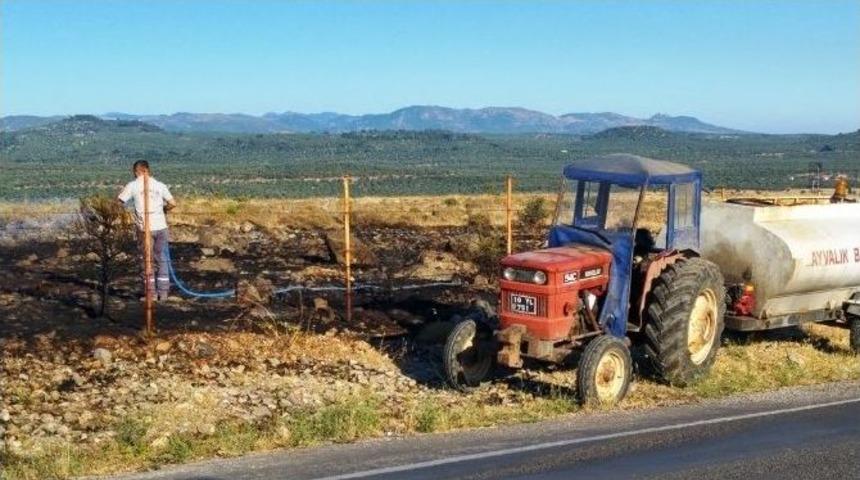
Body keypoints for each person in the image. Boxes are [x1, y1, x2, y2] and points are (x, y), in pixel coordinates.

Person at [117, 160, 177, 301]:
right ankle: (163, 293)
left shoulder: (133, 185)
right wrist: (163, 210)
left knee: (147, 261)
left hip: (145, 229)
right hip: (161, 227)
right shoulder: (159, 185)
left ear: (140, 171)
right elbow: (173, 203)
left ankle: (150, 294)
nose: (135, 175)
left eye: (135, 172)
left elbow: (119, 202)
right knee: (161, 259)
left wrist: (128, 216)